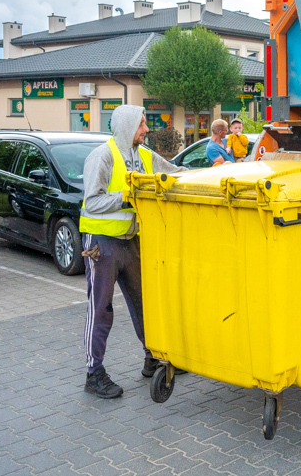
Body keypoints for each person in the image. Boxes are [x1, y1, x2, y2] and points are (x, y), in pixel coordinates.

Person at [79, 104, 187, 399]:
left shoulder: (144, 156)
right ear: (128, 126)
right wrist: (127, 197)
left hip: (132, 241)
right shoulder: (103, 156)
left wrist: (216, 173)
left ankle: (153, 357)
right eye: (142, 124)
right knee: (100, 309)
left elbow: (176, 174)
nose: (147, 129)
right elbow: (92, 202)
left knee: (145, 303)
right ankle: (94, 373)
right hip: (102, 244)